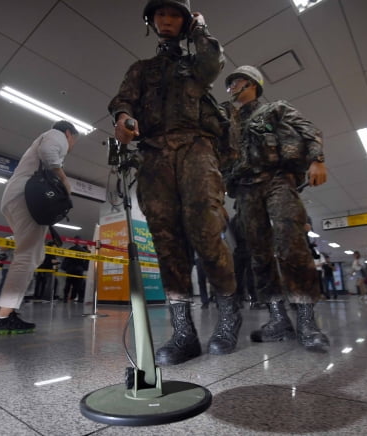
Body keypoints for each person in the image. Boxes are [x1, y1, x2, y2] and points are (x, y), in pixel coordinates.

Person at [108, 0, 242, 365]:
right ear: (151, 22)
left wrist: (199, 28)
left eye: (174, 15)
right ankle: (184, 332)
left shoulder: (194, 64)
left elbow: (213, 64)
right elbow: (124, 101)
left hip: (196, 148)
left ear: (184, 22)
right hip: (153, 154)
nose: (165, 21)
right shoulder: (141, 69)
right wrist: (123, 118)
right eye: (160, 15)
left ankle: (229, 315)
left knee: (205, 230)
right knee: (166, 239)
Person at [221, 65, 329, 352]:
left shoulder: (276, 109)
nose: (231, 87)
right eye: (230, 84)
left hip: (277, 179)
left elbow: (308, 129)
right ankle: (278, 319)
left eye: (237, 82)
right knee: (258, 254)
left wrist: (317, 159)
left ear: (252, 84)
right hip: (244, 188)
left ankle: (307, 321)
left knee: (291, 243)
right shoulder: (229, 121)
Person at [0, 120, 78, 334]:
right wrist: (64, 180)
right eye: (74, 140)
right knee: (28, 256)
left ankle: (1, 308)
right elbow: (49, 152)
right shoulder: (57, 135)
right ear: (68, 133)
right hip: (27, 198)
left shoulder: (40, 140)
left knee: (31, 255)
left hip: (16, 198)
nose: (72, 144)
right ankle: (3, 316)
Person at [60, 236, 90, 303]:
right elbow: (86, 261)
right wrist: (84, 268)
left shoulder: (70, 249)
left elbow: (66, 260)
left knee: (68, 284)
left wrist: (65, 268)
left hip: (70, 269)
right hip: (79, 270)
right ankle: (80, 298)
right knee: (79, 285)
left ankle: (65, 298)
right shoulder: (83, 251)